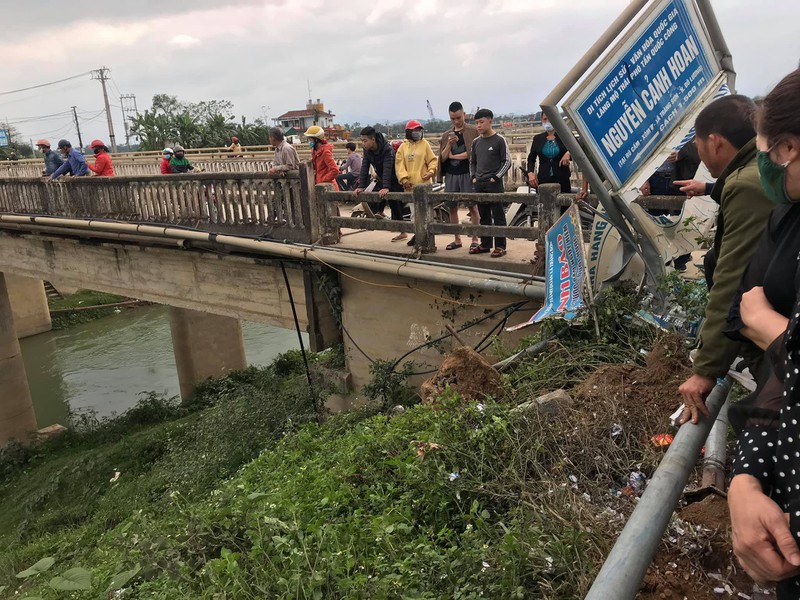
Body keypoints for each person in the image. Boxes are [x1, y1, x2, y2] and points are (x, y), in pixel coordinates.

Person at [724, 68, 800, 598]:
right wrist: (745, 478)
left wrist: (774, 331)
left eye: (768, 151)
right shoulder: (788, 217)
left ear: (789, 147)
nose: (766, 165)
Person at [675, 95, 774, 425]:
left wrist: (706, 369)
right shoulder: (756, 172)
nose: (699, 152)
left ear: (715, 142)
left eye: (699, 143)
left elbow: (732, 280)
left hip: (773, 337)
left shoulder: (746, 185)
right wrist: (709, 188)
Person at [470, 108, 512, 257]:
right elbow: (472, 162)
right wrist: (473, 177)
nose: (479, 125)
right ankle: (485, 244)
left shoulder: (499, 140)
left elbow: (507, 161)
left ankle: (500, 246)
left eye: (481, 122)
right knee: (484, 215)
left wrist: (496, 177)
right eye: (476, 123)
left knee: (498, 215)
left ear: (490, 121)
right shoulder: (476, 142)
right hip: (479, 183)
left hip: (494, 183)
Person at [439, 101, 480, 251]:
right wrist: (449, 144)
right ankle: (457, 239)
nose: (456, 121)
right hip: (451, 175)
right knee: (452, 208)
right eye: (452, 119)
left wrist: (455, 156)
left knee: (473, 207)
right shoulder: (445, 135)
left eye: (458, 117)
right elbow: (442, 158)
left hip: (468, 174)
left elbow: (473, 155)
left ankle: (475, 238)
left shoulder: (473, 131)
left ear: (464, 114)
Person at [393, 120, 437, 244]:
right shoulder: (403, 147)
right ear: (408, 132)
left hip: (424, 185)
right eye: (415, 130)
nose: (417, 133)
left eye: (419, 130)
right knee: (413, 213)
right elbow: (399, 165)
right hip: (410, 186)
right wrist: (404, 179)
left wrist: (431, 171)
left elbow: (433, 160)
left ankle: (424, 237)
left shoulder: (425, 144)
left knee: (425, 213)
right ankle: (417, 235)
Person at [353, 126, 401, 216]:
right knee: (375, 196)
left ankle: (401, 227)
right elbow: (365, 167)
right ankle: (380, 213)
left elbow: (388, 168)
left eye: (365, 141)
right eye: (362, 141)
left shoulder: (387, 149)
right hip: (381, 177)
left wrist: (386, 186)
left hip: (394, 178)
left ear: (373, 139)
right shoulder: (367, 150)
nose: (363, 144)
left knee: (394, 204)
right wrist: (361, 186)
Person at [526, 113, 573, 194]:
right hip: (544, 179)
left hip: (562, 179)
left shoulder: (565, 136)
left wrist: (568, 153)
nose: (547, 121)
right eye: (545, 119)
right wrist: (530, 173)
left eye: (550, 119)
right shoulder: (537, 139)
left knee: (563, 204)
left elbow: (578, 147)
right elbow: (531, 159)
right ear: (541, 120)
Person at [304, 125, 339, 190]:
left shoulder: (325, 152)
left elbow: (335, 170)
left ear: (316, 139)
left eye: (310, 139)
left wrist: (323, 179)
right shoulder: (315, 151)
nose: (309, 141)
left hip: (328, 187)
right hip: (320, 186)